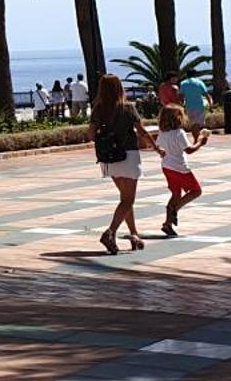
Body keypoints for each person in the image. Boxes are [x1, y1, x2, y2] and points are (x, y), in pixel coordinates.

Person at [89, 73, 156, 255]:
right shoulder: (127, 108)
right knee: (128, 199)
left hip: (109, 159)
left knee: (125, 199)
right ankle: (110, 233)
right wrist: (156, 147)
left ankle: (134, 234)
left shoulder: (98, 109)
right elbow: (141, 131)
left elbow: (90, 135)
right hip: (128, 155)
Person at [157, 105, 208, 238]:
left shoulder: (162, 132)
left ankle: (167, 224)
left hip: (167, 166)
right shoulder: (179, 133)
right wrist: (200, 142)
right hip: (180, 168)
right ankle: (175, 209)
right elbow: (189, 150)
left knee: (175, 193)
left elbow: (159, 146)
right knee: (196, 191)